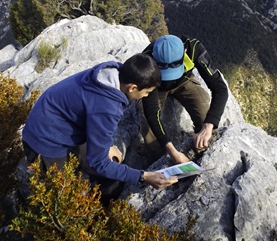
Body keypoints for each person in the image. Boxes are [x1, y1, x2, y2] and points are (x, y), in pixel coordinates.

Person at [21, 53, 178, 200]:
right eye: (147, 92)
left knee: (110, 173)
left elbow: (93, 113)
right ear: (132, 88)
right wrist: (144, 176)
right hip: (44, 142)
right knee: (66, 197)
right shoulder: (107, 107)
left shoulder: (112, 73)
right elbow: (99, 162)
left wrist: (107, 145)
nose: (146, 96)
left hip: (57, 124)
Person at [139, 35, 229, 164]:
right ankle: (159, 163)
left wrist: (208, 126)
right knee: (146, 124)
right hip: (156, 87)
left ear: (184, 52)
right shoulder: (146, 58)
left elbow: (220, 87)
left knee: (204, 112)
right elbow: (151, 113)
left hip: (183, 82)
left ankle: (200, 149)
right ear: (153, 55)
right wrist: (171, 150)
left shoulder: (194, 48)